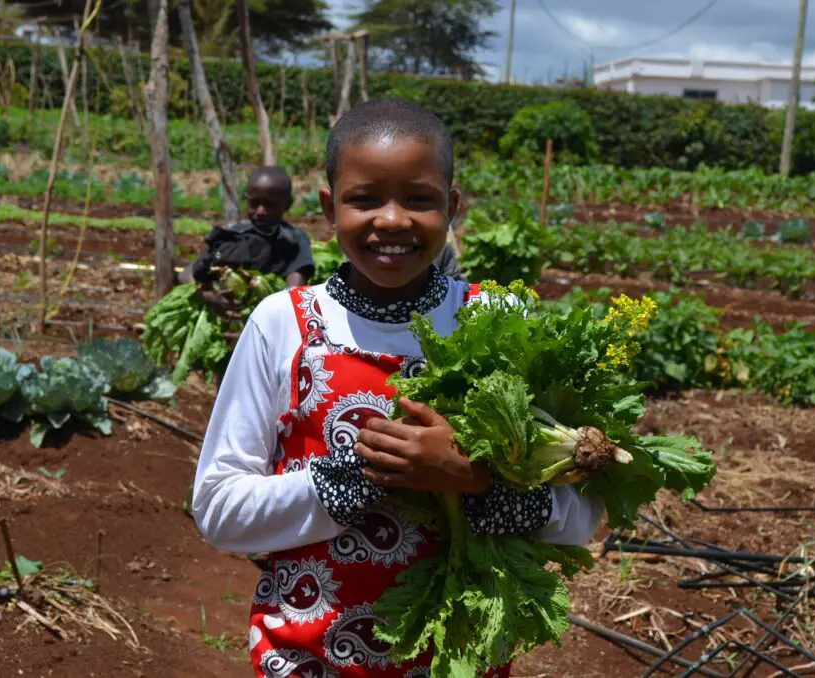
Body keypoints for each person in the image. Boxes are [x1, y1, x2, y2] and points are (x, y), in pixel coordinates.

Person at [191, 99, 603, 677]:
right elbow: (217, 508)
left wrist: (475, 481)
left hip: (462, 660)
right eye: (365, 199)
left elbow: (586, 512)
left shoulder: (501, 322)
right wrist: (359, 477)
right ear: (330, 208)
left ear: (453, 207)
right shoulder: (283, 322)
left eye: (419, 199)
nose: (391, 220)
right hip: (308, 658)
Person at [179, 166, 315, 317]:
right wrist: (208, 297)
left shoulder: (293, 241)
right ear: (247, 200)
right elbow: (186, 275)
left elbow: (293, 292)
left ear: (287, 204)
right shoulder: (232, 235)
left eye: (270, 204)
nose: (261, 211)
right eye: (254, 203)